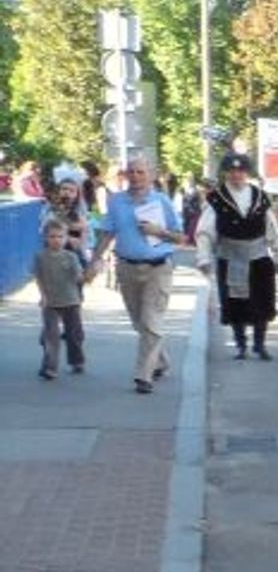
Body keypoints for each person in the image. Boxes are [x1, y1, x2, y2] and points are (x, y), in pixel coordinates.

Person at [88, 155, 185, 394]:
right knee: (140, 322)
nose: (136, 176)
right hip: (127, 268)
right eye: (131, 172)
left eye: (141, 172)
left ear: (151, 175)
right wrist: (94, 261)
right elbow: (107, 233)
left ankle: (143, 376)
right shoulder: (117, 202)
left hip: (158, 268)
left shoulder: (162, 201)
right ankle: (159, 360)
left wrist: (158, 231)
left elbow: (181, 237)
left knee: (151, 320)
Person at [197, 153, 278, 361]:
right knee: (235, 303)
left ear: (247, 173)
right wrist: (203, 257)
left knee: (262, 301)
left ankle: (260, 344)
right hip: (230, 257)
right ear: (226, 173)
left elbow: (273, 229)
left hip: (258, 256)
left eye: (240, 171)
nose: (236, 175)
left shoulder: (260, 197)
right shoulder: (217, 199)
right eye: (232, 171)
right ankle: (240, 344)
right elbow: (205, 232)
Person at [33, 219, 86, 379]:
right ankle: (50, 367)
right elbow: (38, 277)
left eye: (60, 236)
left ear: (66, 238)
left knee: (73, 334)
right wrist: (43, 296)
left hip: (71, 301)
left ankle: (77, 361)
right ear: (45, 238)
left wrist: (88, 274)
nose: (56, 240)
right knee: (52, 335)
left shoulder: (71, 257)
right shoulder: (40, 257)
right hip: (50, 302)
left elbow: (78, 277)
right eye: (52, 236)